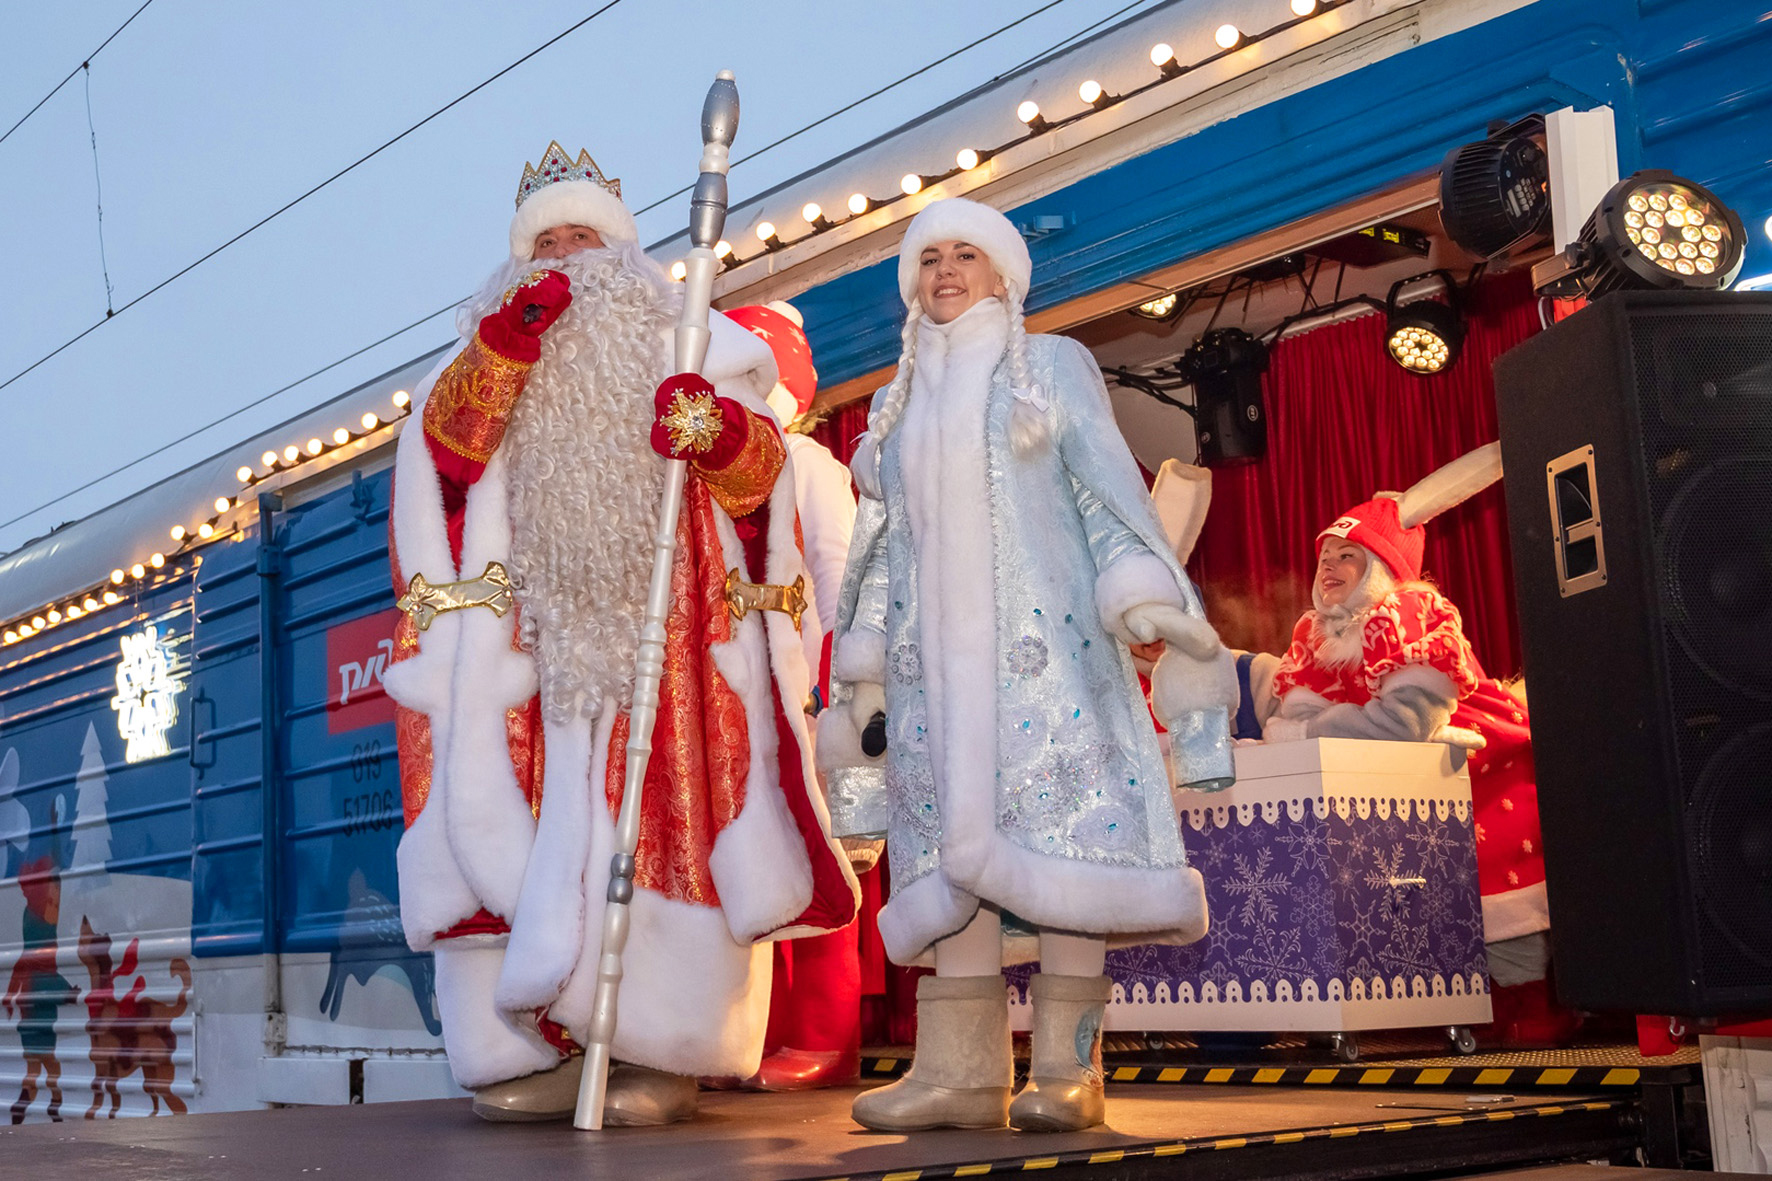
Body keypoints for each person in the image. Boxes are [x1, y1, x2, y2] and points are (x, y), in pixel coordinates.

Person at [384, 142, 859, 1125]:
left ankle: (659, 1047)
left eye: (583, 239)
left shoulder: (700, 349)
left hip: (663, 649)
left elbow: (762, 480)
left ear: (625, 254)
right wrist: (508, 346)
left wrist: (716, 436)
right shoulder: (476, 364)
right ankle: (531, 1045)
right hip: (523, 658)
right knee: (509, 825)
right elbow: (444, 465)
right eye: (545, 242)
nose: (564, 258)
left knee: (657, 827)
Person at [820, 197, 1236, 1134]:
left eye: (967, 254)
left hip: (1044, 665)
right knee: (950, 863)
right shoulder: (895, 406)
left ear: (1006, 274)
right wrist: (869, 663)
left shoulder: (1050, 368)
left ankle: (1067, 1069)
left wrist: (1138, 588)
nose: (946, 272)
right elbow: (881, 545)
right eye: (929, 259)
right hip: (933, 681)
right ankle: (960, 1075)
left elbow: (1106, 495)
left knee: (1062, 854)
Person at [1261, 447, 1572, 1047]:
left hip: (1471, 762)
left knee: (1488, 866)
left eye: (1348, 555)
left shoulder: (1414, 610)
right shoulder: (1314, 632)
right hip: (1381, 780)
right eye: (1325, 554)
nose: (1329, 565)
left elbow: (1404, 725)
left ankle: (1525, 1000)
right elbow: (1294, 719)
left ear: (1380, 568)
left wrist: (1315, 733)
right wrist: (1307, 732)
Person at [725, 301, 869, 1091]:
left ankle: (825, 1035)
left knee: (820, 861)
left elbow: (842, 573)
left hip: (803, 699)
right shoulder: (717, 475)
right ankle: (756, 1035)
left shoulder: (807, 464)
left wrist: (838, 684)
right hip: (743, 701)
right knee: (754, 871)